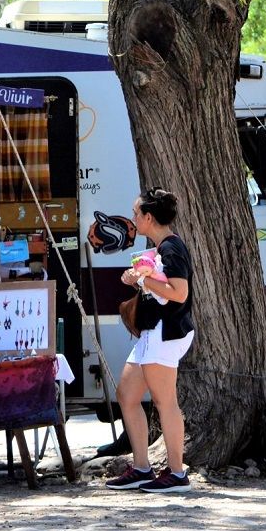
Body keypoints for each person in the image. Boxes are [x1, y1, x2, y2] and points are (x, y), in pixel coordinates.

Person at [105, 187, 195, 494]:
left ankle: (177, 473)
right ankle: (142, 468)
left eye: (135, 213)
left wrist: (142, 279)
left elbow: (179, 294)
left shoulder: (171, 249)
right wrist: (138, 277)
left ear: (148, 217)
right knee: (127, 394)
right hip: (152, 331)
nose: (132, 218)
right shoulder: (159, 248)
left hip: (165, 332)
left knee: (164, 401)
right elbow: (159, 287)